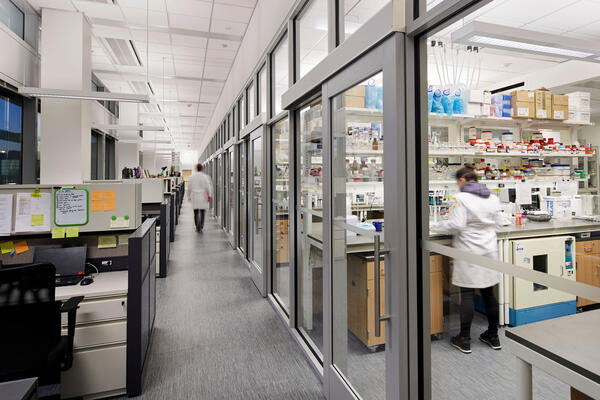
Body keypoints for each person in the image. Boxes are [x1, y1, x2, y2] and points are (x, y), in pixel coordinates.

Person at [432, 166, 503, 354]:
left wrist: (436, 226)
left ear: (462, 180)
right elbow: (500, 222)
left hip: (469, 251)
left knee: (468, 294)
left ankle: (464, 338)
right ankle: (493, 335)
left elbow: (457, 224)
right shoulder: (492, 197)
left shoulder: (460, 198)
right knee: (488, 293)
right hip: (489, 250)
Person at [187, 163, 212, 232]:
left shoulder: (191, 177)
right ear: (202, 168)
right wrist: (209, 195)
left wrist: (188, 196)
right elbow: (208, 187)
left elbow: (189, 187)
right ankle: (201, 226)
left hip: (194, 196)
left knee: (196, 212)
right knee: (202, 212)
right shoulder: (205, 177)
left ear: (196, 168)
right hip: (203, 196)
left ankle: (197, 227)